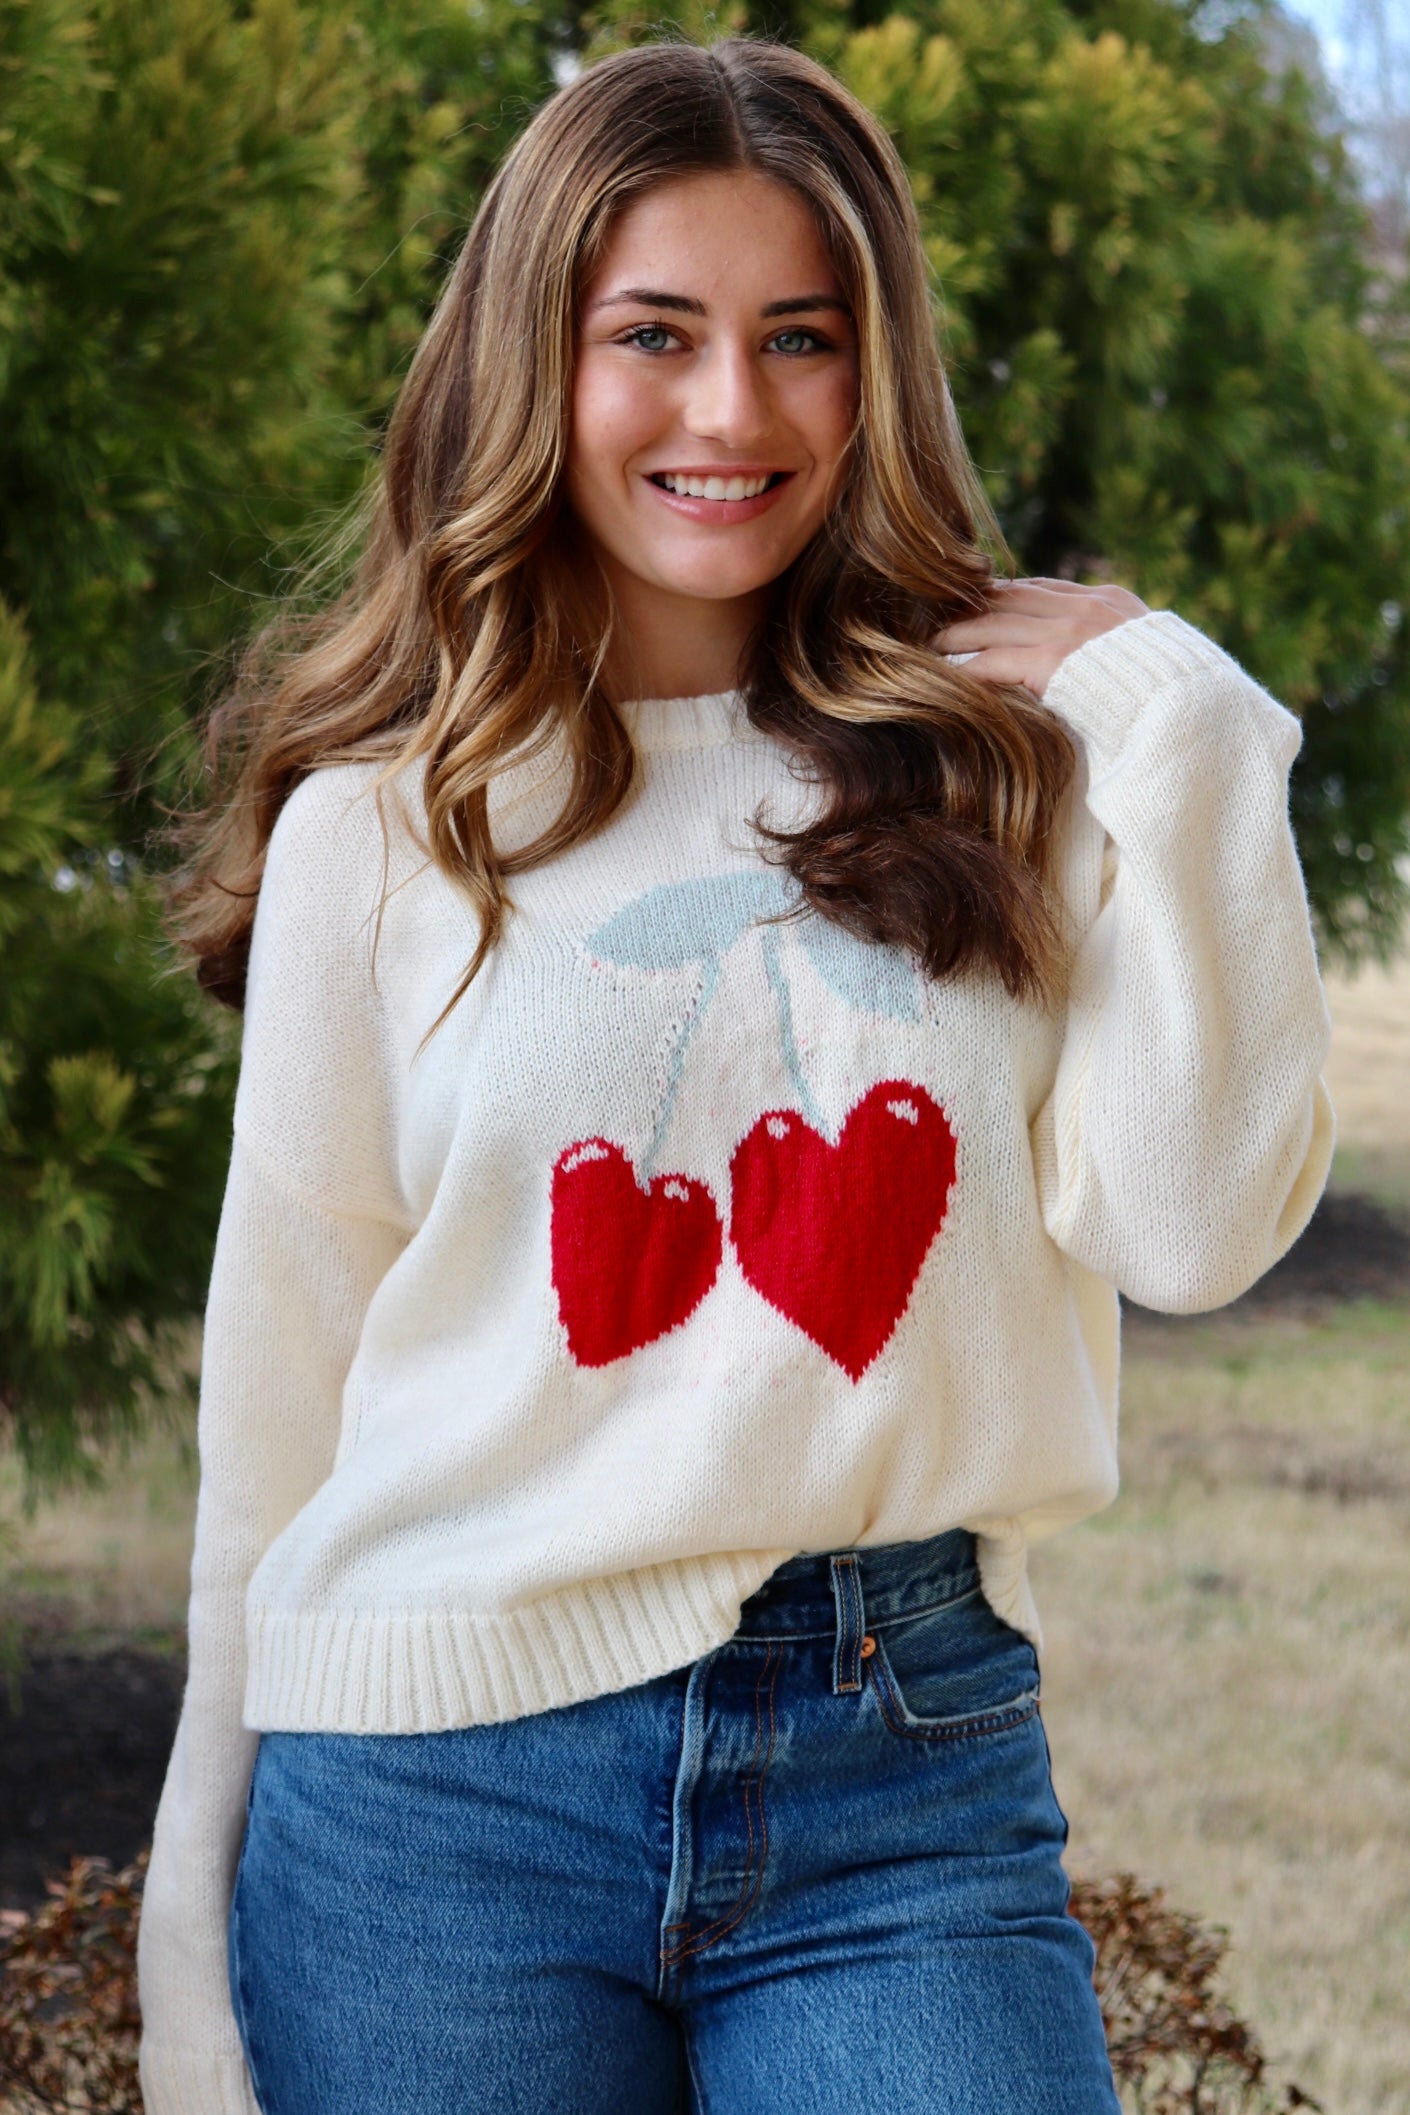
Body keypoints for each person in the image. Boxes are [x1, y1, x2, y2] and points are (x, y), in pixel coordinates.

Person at [136, 34, 1335, 2115]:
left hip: (906, 1773)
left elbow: (1198, 1222)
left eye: (802, 336)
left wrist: (1193, 729)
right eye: (653, 333)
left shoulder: (1010, 770)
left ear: (878, 374)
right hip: (431, 1803)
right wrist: (182, 1952)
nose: (731, 409)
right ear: (540, 364)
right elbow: (281, 1407)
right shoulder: (384, 829)